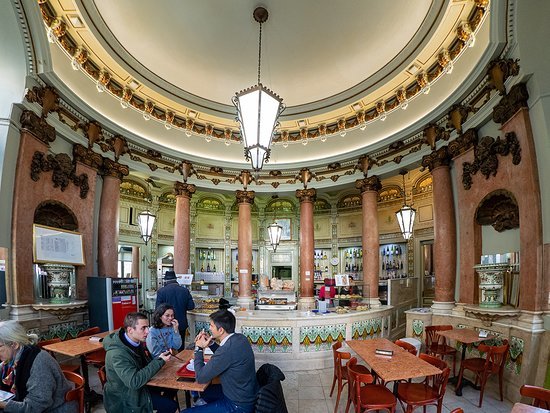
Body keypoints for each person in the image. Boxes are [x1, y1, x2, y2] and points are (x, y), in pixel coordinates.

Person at [183, 310, 258, 412]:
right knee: (205, 392)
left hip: (238, 405)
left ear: (221, 330)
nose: (209, 328)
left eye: (212, 325)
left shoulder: (226, 350)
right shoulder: (240, 338)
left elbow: (200, 377)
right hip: (244, 393)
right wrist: (211, 344)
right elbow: (227, 356)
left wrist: (199, 348)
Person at [102, 312, 178, 413]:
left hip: (140, 388)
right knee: (170, 405)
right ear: (130, 330)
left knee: (172, 387)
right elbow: (134, 382)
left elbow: (144, 365)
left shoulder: (135, 342)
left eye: (148, 327)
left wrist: (161, 358)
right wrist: (159, 361)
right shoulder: (117, 354)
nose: (147, 331)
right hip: (126, 398)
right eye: (143, 328)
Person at [0, 320, 77, 413]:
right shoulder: (10, 361)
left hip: (55, 409)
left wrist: (3, 404)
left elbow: (35, 407)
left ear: (14, 344)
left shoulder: (38, 363)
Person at [156, 270, 195, 349]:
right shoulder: (185, 291)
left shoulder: (161, 291)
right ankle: (181, 360)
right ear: (176, 279)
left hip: (166, 324)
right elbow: (191, 306)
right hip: (181, 324)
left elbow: (158, 309)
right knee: (180, 347)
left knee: (167, 347)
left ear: (165, 280)